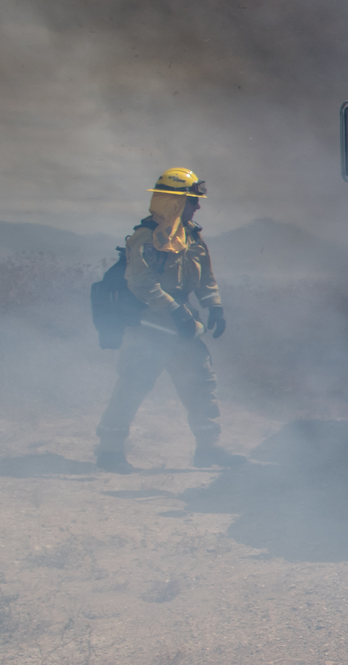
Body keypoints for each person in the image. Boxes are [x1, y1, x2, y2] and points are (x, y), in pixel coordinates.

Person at [95, 168, 245, 473]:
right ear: (175, 202)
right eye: (192, 201)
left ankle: (209, 449)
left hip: (182, 328)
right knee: (133, 386)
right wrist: (175, 310)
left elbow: (205, 277)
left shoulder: (191, 236)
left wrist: (213, 305)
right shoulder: (145, 237)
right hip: (148, 327)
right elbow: (141, 283)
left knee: (201, 384)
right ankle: (109, 452)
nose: (198, 207)